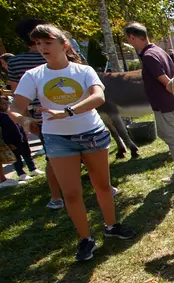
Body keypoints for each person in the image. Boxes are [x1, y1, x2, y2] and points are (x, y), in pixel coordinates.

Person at [10, 24, 136, 262]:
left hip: (92, 134)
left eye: (47, 42)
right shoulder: (33, 76)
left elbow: (98, 97)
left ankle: (111, 226)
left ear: (64, 45)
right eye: (38, 44)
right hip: (58, 140)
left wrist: (66, 112)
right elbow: (15, 108)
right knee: (71, 193)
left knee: (103, 186)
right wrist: (24, 120)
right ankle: (85, 239)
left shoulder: (83, 71)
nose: (42, 48)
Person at [124, 22, 174, 184]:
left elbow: (166, 81)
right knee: (167, 135)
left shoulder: (149, 56)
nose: (130, 43)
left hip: (164, 104)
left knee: (171, 138)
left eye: (129, 40)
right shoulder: (159, 51)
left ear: (133, 37)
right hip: (170, 102)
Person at [7, 18, 64, 209]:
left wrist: (27, 122)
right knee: (61, 156)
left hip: (42, 119)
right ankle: (58, 196)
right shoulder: (60, 53)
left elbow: (17, 98)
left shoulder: (15, 62)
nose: (43, 48)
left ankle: (56, 196)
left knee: (52, 157)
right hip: (57, 116)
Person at [0, 95, 43, 180]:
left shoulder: (13, 113)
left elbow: (20, 123)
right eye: (2, 104)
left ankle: (33, 168)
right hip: (11, 141)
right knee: (17, 158)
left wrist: (26, 131)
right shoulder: (1, 116)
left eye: (6, 103)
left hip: (22, 138)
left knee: (27, 154)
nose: (5, 105)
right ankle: (21, 173)